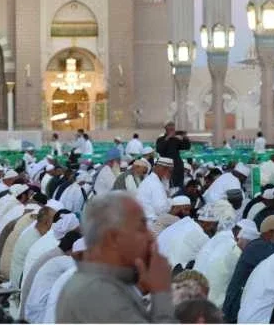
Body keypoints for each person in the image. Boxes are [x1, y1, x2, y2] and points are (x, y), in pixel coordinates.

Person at [56, 192, 176, 323]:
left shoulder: (105, 281)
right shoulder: (97, 292)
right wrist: (162, 291)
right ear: (113, 238)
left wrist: (142, 288)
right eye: (141, 229)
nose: (151, 237)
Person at [156, 122, 191, 189]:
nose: (172, 127)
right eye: (169, 125)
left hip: (177, 166)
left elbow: (186, 147)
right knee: (167, 186)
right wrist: (168, 138)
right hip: (166, 167)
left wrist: (185, 138)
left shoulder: (176, 139)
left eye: (173, 125)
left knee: (178, 186)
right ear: (165, 128)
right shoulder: (160, 139)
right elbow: (159, 149)